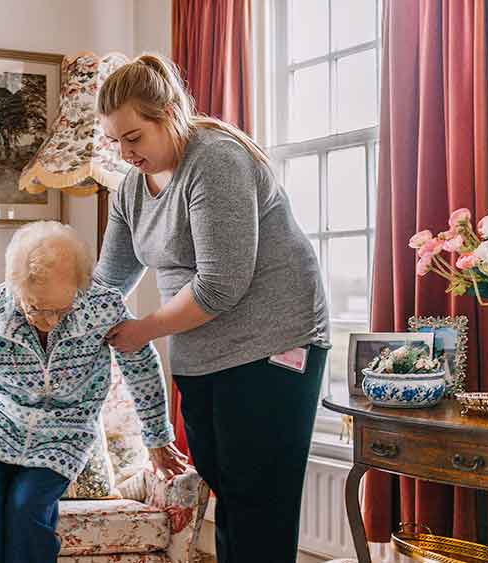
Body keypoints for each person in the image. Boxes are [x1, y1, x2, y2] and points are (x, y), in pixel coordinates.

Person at [94, 53, 331, 563]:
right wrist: (44, 314)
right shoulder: (131, 190)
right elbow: (108, 279)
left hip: (276, 340)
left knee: (259, 497)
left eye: (133, 137)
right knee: (226, 486)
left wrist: (143, 331)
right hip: (201, 349)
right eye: (114, 142)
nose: (124, 152)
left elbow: (222, 285)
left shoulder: (215, 160)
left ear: (167, 115)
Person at [0, 221, 187, 563]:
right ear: (14, 285)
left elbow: (140, 367)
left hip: (65, 431)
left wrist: (157, 438)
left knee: (26, 511)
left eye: (59, 311)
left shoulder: (102, 307)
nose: (47, 321)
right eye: (34, 308)